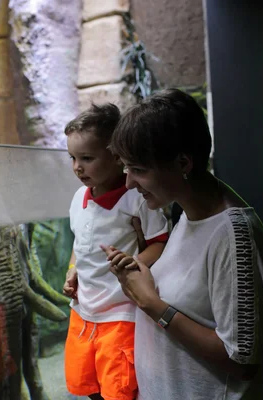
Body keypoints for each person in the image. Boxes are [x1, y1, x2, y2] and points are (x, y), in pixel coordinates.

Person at [103, 88, 263, 400]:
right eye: (126, 169)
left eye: (139, 170)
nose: (128, 183)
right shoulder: (186, 214)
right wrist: (142, 272)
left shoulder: (233, 234)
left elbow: (241, 361)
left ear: (183, 163)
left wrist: (151, 304)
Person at [62, 103, 169, 400]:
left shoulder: (136, 198)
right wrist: (73, 271)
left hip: (121, 312)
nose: (77, 167)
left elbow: (161, 241)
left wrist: (133, 263)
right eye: (72, 158)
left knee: (119, 389)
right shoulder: (77, 198)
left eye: (87, 158)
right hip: (83, 311)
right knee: (88, 384)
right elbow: (79, 241)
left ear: (114, 155)